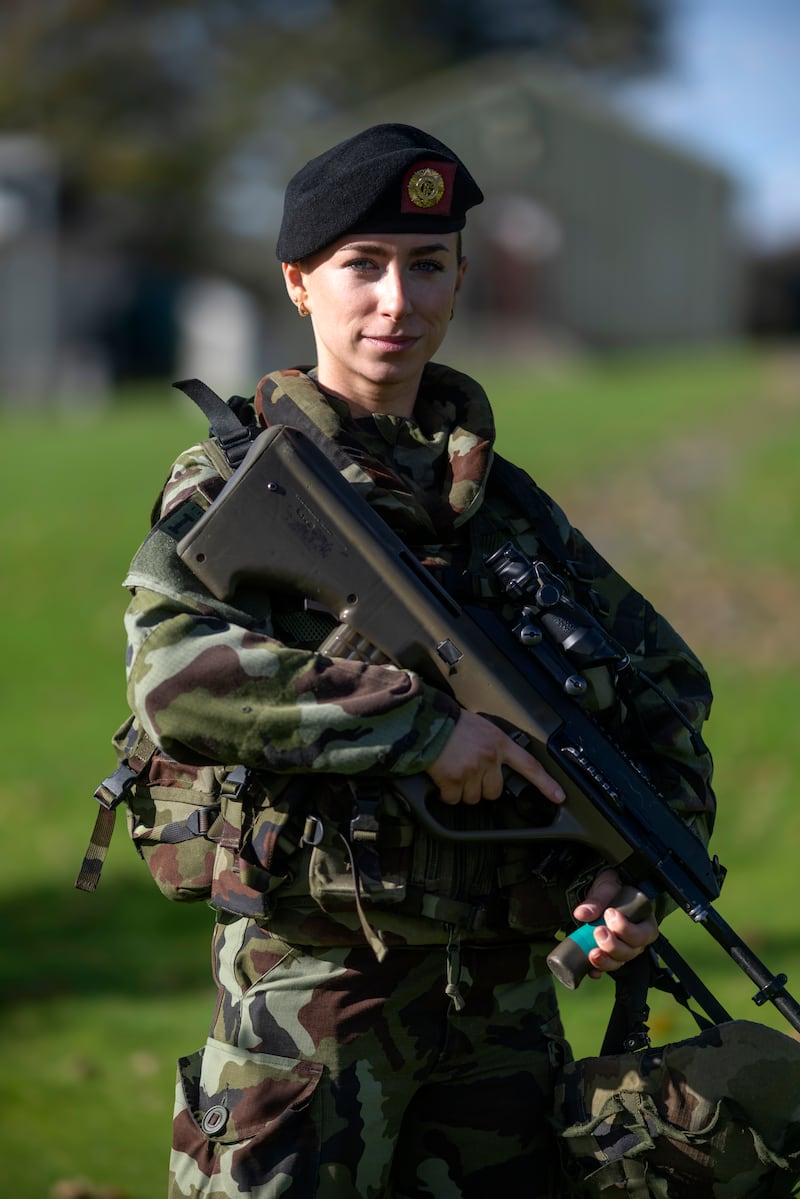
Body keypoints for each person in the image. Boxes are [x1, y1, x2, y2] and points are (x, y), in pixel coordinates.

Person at [122, 124, 715, 1198]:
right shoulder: (233, 476)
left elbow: (663, 698)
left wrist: (633, 881)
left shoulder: (507, 506)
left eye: (425, 264)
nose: (396, 300)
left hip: (500, 1016)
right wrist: (428, 727)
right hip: (310, 1004)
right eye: (363, 265)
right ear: (299, 283)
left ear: (459, 278)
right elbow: (174, 674)